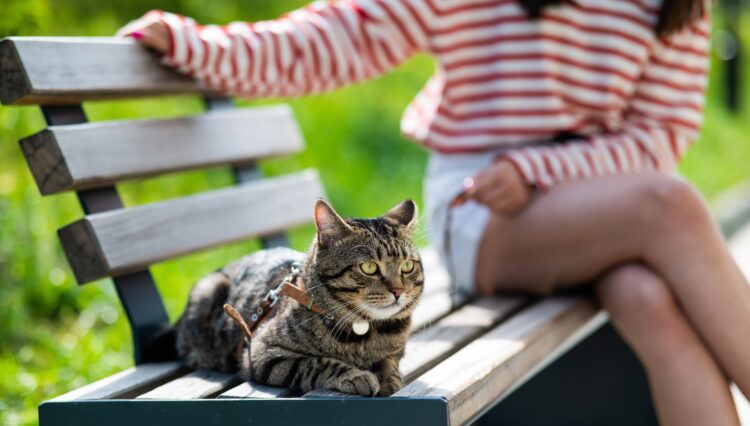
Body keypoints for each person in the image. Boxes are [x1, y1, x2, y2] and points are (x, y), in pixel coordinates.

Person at [118, 1, 750, 424]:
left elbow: (662, 133)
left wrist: (541, 171)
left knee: (648, 297)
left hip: (606, 205)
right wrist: (197, 44)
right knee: (671, 204)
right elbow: (342, 36)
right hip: (484, 208)